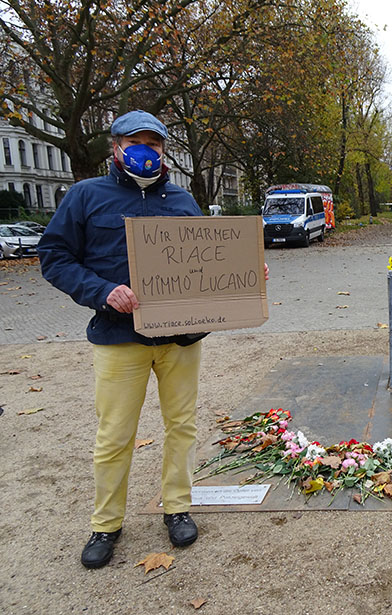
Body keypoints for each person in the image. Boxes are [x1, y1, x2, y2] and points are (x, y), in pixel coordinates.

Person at [40, 111, 208, 568]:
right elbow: (54, 256)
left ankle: (177, 508)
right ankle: (106, 523)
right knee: (114, 435)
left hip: (181, 338)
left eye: (153, 143)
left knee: (182, 426)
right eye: (135, 140)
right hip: (119, 338)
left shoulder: (182, 200)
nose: (145, 149)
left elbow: (207, 263)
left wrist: (245, 276)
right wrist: (102, 292)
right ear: (114, 146)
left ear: (164, 150)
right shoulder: (85, 196)